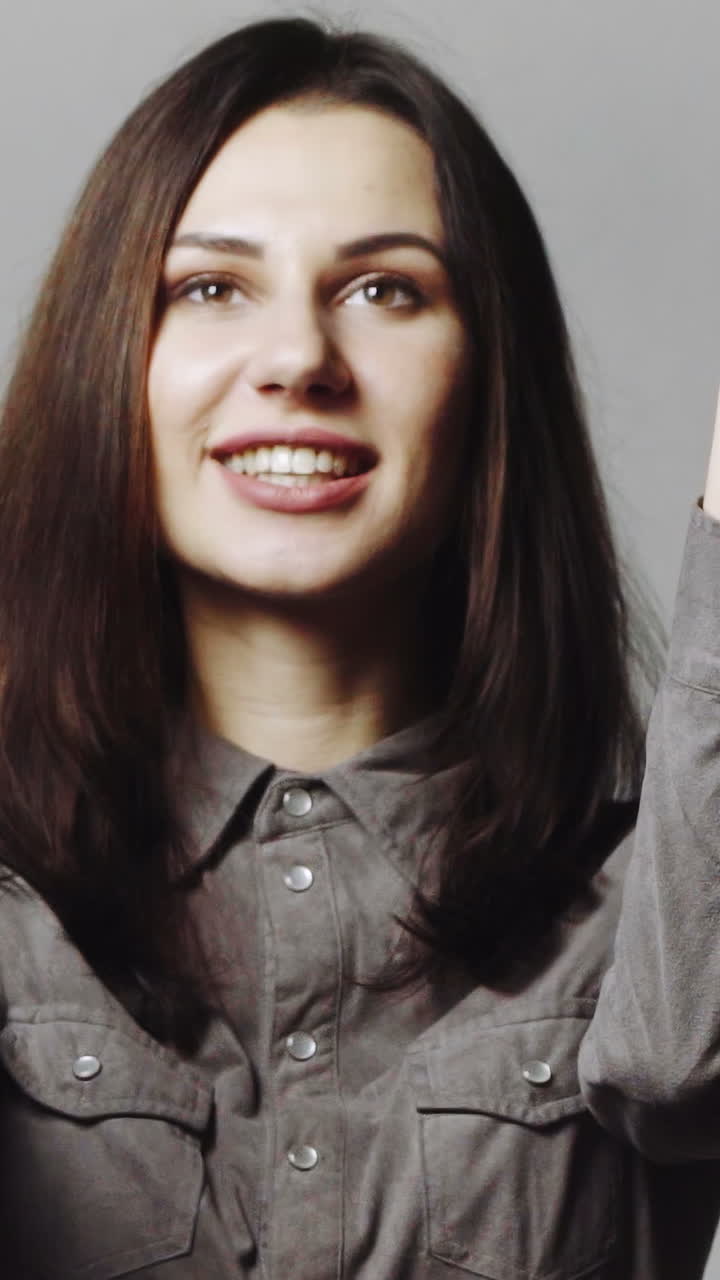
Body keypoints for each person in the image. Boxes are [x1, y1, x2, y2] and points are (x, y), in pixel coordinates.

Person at [0, 15, 717, 1279]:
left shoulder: (647, 919)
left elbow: (681, 1067)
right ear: (110, 361)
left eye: (387, 288)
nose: (298, 359)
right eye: (210, 287)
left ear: (490, 380)